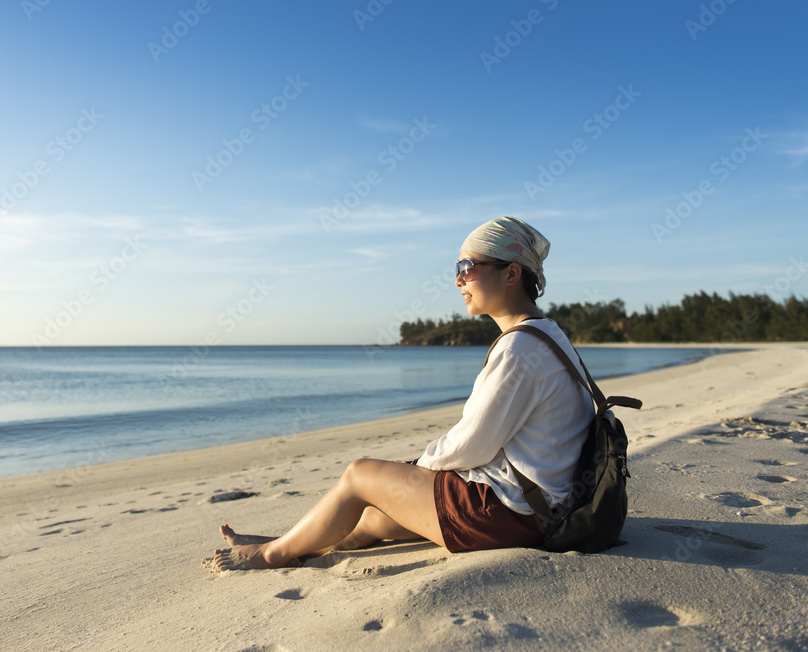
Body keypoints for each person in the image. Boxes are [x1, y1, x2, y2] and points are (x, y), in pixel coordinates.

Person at [206, 216, 594, 571]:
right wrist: (412, 473)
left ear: (511, 273)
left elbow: (473, 445)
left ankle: (272, 554)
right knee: (376, 515)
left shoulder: (519, 349)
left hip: (514, 513)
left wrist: (415, 466)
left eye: (467, 268)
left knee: (360, 474)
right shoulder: (548, 334)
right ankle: (293, 544)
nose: (458, 280)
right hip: (542, 505)